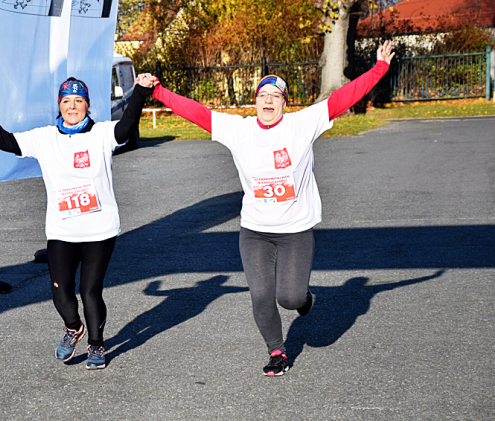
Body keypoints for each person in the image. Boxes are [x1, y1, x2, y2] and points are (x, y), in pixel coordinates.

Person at [150, 41, 395, 376]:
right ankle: (277, 351)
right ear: (256, 101)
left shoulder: (301, 125)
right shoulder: (240, 130)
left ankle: (305, 299)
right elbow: (197, 113)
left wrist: (379, 68)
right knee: (261, 295)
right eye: (263, 95)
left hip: (295, 231)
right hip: (255, 232)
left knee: (290, 298)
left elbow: (345, 97)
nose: (268, 101)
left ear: (284, 103)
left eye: (276, 96)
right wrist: (159, 92)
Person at [0, 73, 157, 369]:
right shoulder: (44, 138)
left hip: (99, 229)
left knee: (90, 291)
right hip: (62, 230)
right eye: (67, 100)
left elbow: (127, 126)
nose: (72, 106)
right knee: (60, 289)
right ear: (59, 105)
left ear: (88, 105)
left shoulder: (102, 134)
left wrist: (142, 93)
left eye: (78, 100)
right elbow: (2, 139)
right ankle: (73, 327)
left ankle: (96, 345)